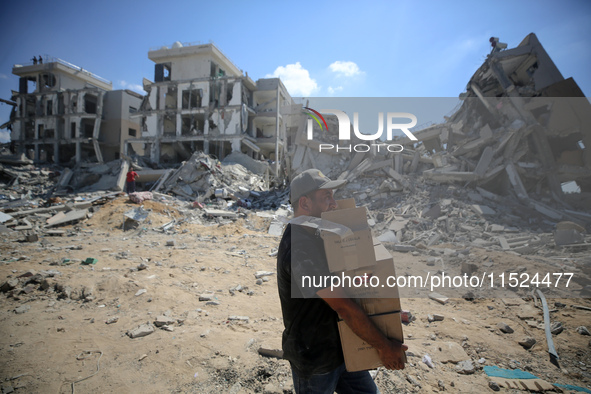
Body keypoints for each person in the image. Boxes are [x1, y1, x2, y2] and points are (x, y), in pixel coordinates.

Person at [277, 169, 407, 394]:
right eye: (326, 197)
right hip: (315, 359)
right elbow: (343, 306)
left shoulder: (318, 235)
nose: (334, 204)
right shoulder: (300, 247)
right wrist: (385, 347)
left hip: (342, 347)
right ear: (305, 203)